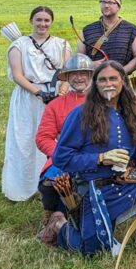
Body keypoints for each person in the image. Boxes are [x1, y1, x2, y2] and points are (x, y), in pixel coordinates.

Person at [39, 60, 136, 253]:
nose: (108, 83)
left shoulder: (131, 112)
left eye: (113, 78)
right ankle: (58, 226)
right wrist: (100, 158)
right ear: (96, 84)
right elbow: (62, 158)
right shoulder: (80, 115)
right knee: (92, 250)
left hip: (129, 182)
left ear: (123, 82)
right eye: (103, 80)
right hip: (96, 189)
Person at [3, 6, 71, 202]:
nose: (42, 24)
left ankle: (50, 184)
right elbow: (17, 75)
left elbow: (67, 73)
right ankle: (21, 186)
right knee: (24, 139)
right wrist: (38, 92)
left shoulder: (62, 45)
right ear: (31, 21)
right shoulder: (19, 45)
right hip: (28, 98)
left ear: (51, 22)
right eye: (39, 20)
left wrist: (62, 91)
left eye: (46, 20)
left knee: (52, 139)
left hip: (56, 97)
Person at [35, 53, 95, 233]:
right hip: (64, 156)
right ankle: (52, 217)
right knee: (49, 182)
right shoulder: (55, 105)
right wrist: (61, 154)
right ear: (67, 77)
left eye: (83, 73)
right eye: (74, 74)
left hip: (95, 155)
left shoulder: (101, 102)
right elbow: (43, 137)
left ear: (90, 76)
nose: (79, 78)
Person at [78, 0, 136, 71]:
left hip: (121, 81)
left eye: (110, 2)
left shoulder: (132, 30)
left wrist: (121, 72)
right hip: (94, 80)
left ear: (118, 6)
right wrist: (90, 65)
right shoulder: (87, 30)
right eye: (103, 2)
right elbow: (78, 59)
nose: (106, 5)